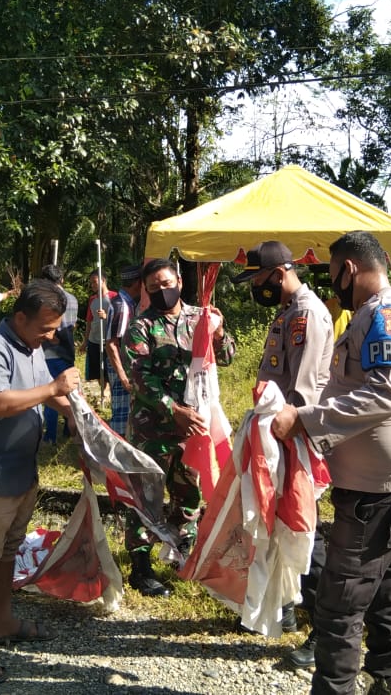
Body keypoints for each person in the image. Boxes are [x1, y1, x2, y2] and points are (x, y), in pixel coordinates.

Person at [271, 230, 391, 695]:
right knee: (384, 591)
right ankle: (386, 679)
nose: (331, 283)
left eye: (332, 272)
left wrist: (304, 418)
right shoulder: (369, 316)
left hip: (377, 494)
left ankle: (338, 687)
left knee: (340, 604)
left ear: (351, 269)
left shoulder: (385, 315)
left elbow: (385, 395)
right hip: (383, 486)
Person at [0, 279, 81, 684]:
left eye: (55, 328)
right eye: (46, 327)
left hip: (21, 472)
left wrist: (74, 413)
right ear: (20, 316)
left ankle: (4, 620)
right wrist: (53, 387)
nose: (52, 335)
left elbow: (45, 394)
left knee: (9, 549)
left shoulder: (31, 345)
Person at [233, 241, 334, 656]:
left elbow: (303, 391)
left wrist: (283, 433)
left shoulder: (306, 314)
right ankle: (286, 605)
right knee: (277, 523)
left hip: (296, 435)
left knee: (301, 525)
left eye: (257, 279)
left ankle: (325, 624)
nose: (255, 287)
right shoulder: (288, 310)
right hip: (279, 433)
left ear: (277, 274)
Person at [123, 258, 236, 597]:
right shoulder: (141, 327)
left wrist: (217, 332)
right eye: (154, 287)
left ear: (179, 282)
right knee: (145, 495)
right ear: (145, 289)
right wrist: (174, 410)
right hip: (152, 429)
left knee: (189, 492)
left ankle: (179, 552)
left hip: (193, 429)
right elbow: (140, 378)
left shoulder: (198, 318)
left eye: (166, 283)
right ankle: (140, 566)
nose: (162, 291)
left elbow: (226, 357)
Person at [38, 264, 78, 444]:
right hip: (68, 352)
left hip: (50, 353)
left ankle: (50, 436)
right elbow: (73, 326)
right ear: (61, 279)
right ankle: (69, 431)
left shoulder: (47, 301)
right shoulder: (73, 299)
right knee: (70, 393)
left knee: (52, 394)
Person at [104, 264, 143, 435]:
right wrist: (123, 375)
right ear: (137, 284)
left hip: (124, 365)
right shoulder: (122, 306)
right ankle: (116, 454)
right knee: (121, 413)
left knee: (126, 411)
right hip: (120, 365)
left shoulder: (126, 303)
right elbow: (111, 344)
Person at [82, 270, 115, 403]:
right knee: (97, 369)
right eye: (91, 283)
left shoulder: (114, 297)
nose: (92, 285)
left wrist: (107, 317)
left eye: (94, 282)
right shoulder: (92, 300)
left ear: (103, 281)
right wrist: (85, 341)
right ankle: (104, 393)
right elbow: (89, 321)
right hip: (94, 339)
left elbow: (119, 319)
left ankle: (110, 393)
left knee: (109, 367)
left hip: (108, 339)